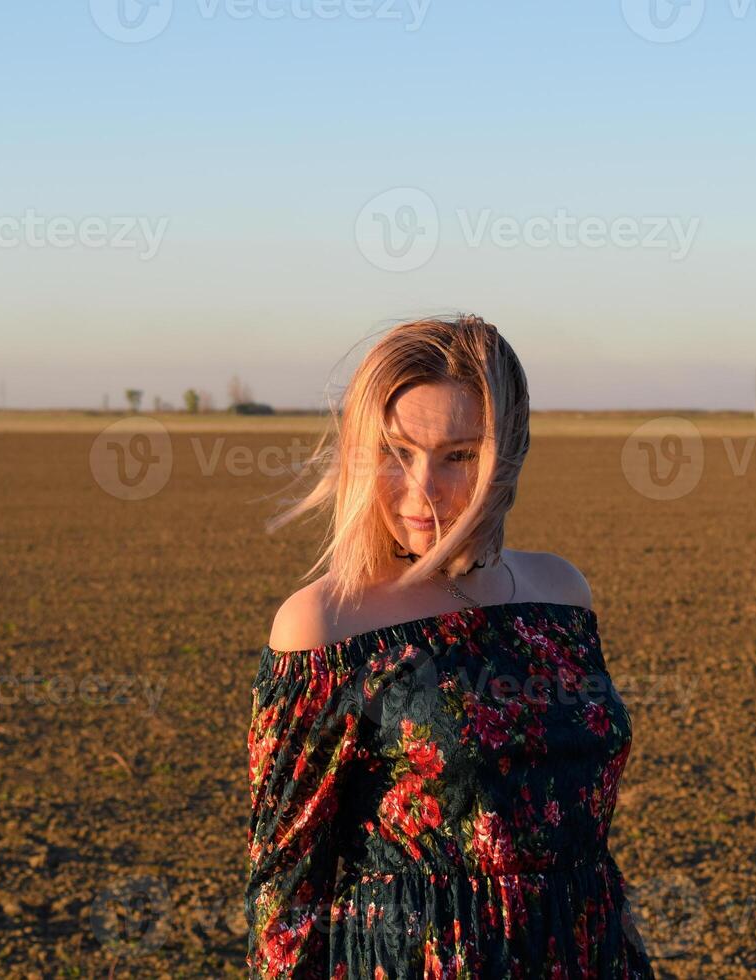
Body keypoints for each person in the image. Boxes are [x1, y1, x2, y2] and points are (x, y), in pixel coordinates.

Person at [245, 314, 657, 978]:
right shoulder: (327, 629)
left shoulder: (561, 593)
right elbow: (283, 894)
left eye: (458, 456)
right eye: (395, 453)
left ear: (512, 452)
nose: (422, 489)